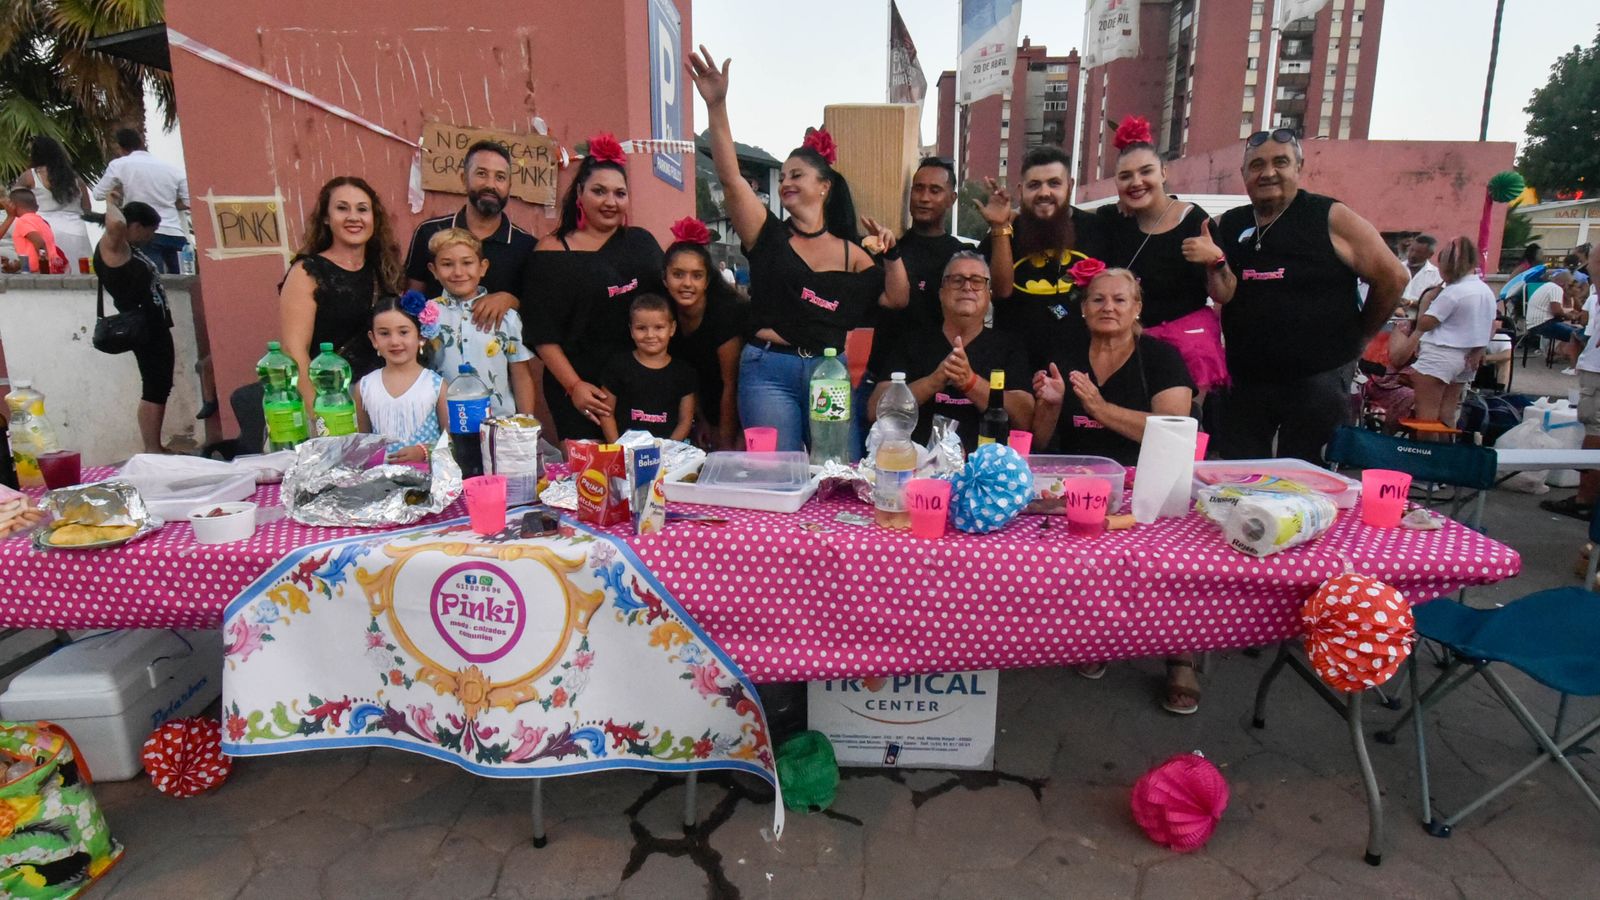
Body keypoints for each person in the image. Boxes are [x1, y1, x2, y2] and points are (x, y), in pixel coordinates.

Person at [687, 46, 907, 452]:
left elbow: (896, 297)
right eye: (783, 176)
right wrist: (717, 106)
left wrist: (891, 254)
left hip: (830, 371)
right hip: (768, 368)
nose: (786, 182)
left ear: (824, 185)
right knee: (776, 474)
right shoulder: (767, 235)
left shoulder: (852, 253)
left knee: (837, 470)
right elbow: (731, 177)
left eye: (797, 175)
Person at [1029, 268, 1198, 713]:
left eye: (1120, 300)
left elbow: (1174, 431)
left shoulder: (1162, 357)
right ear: (1083, 310)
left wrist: (1100, 408)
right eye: (1098, 300)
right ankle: (1100, 638)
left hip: (1150, 485)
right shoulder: (1065, 355)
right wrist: (1050, 406)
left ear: (1137, 308)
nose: (1108, 308)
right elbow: (1042, 442)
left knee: (1170, 564)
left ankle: (1180, 657)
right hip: (1079, 484)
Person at [1192, 129, 1408, 464]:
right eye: (1257, 165)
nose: (1268, 173)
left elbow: (1393, 277)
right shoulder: (1227, 225)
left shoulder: (1330, 217)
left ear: (1299, 167)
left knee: (1308, 480)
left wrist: (1362, 334)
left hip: (1318, 377)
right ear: (1244, 175)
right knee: (1240, 475)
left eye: (1281, 162)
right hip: (1246, 380)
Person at [522, 134, 664, 442]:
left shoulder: (643, 244)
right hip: (581, 391)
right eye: (599, 191)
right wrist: (574, 386)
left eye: (620, 193)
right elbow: (541, 332)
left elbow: (667, 307)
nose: (610, 202)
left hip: (639, 386)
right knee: (591, 482)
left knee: (648, 480)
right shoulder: (552, 252)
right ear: (580, 194)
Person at [1097, 116, 1227, 397]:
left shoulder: (1193, 221)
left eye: (1146, 172)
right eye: (1125, 176)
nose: (1136, 182)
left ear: (1164, 173)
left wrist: (1215, 260)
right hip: (1128, 346)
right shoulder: (1111, 219)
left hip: (1186, 350)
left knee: (1179, 430)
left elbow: (1224, 293)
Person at [870, 252, 1032, 452]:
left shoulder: (1008, 346)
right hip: (919, 468)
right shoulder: (912, 341)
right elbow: (874, 410)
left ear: (989, 294)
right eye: (957, 280)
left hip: (988, 470)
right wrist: (933, 382)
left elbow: (1025, 419)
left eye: (977, 281)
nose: (967, 287)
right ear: (941, 292)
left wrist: (970, 383)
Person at [975, 145, 1108, 371]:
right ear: (1021, 189)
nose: (1044, 192)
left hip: (1082, 364)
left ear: (1070, 186)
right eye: (1034, 185)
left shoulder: (1098, 229)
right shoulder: (1004, 231)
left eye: (1054, 183)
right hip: (1015, 365)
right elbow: (1001, 292)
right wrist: (1000, 227)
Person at [278, 176, 403, 414]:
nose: (353, 217)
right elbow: (293, 350)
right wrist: (317, 412)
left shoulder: (385, 268)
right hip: (331, 401)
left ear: (373, 218)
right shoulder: (307, 272)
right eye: (342, 208)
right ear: (326, 217)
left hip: (381, 400)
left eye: (362, 209)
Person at [403, 140, 534, 328]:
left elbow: (535, 308)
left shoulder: (526, 246)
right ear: (464, 179)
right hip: (436, 353)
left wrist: (509, 299)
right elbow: (411, 302)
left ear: (509, 185)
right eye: (481, 174)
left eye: (500, 177)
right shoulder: (430, 233)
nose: (491, 184)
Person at [867, 157, 967, 375]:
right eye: (918, 189)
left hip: (943, 375)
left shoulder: (963, 257)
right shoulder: (888, 252)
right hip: (886, 374)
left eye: (935, 190)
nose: (924, 198)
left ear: (952, 198)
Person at [423, 228, 536, 419]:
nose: (458, 272)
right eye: (447, 264)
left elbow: (521, 375)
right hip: (444, 421)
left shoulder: (506, 317)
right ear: (433, 270)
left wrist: (527, 422)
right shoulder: (426, 314)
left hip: (498, 421)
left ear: (482, 267)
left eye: (467, 263)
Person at [92, 195, 175, 453]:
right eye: (150, 231)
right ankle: (152, 447)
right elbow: (116, 223)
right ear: (136, 226)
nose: (151, 237)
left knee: (159, 383)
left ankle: (155, 445)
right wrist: (110, 200)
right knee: (154, 385)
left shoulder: (129, 248)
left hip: (154, 325)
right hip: (143, 327)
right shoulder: (114, 246)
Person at [1390, 237, 1495, 431]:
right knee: (1447, 413)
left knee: (1426, 418)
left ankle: (1427, 457)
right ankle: (1445, 455)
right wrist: (1478, 349)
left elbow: (1425, 323)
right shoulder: (1485, 290)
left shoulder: (1453, 292)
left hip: (1439, 357)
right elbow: (1490, 326)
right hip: (1466, 358)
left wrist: (1427, 301)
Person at [663, 217, 748, 449]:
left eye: (696, 275)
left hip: (739, 403)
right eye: (678, 274)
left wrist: (726, 438)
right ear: (665, 278)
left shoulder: (725, 314)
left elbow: (730, 383)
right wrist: (700, 421)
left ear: (707, 280)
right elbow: (688, 376)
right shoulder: (665, 316)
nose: (687, 283)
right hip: (702, 401)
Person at [354, 295, 447, 464]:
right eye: (384, 334)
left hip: (429, 481)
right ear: (373, 339)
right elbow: (363, 444)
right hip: (381, 484)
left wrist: (423, 452)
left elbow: (452, 442)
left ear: (420, 336)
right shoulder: (364, 387)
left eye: (403, 332)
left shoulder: (436, 386)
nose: (395, 341)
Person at [1544, 253, 1600, 520]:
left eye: (1592, 263)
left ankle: (1585, 499)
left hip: (1597, 372)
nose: (1588, 269)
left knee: (1595, 429)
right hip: (1594, 367)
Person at [598, 294, 697, 442]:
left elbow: (685, 421)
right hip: (624, 454)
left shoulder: (683, 373)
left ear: (672, 328)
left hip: (667, 457)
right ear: (631, 330)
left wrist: (666, 452)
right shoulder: (618, 366)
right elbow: (606, 413)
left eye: (658, 327)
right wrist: (618, 450)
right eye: (641, 328)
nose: (650, 335)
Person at [91, 128, 190, 273]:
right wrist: (168, 202)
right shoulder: (172, 169)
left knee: (152, 280)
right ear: (142, 143)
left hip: (143, 232)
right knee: (184, 284)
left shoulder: (120, 165)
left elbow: (98, 194)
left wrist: (119, 190)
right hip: (175, 233)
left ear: (120, 148)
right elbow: (188, 202)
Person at [13, 136, 92, 267]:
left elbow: (15, 201)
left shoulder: (30, 176)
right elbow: (87, 208)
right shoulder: (75, 177)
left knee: (51, 278)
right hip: (77, 231)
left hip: (45, 232)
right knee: (83, 276)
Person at [1525, 270, 1581, 368]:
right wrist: (1571, 316)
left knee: (1574, 331)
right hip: (1543, 324)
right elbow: (1557, 311)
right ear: (1562, 282)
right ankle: (1575, 366)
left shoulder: (1547, 286)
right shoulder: (1556, 288)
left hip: (1535, 323)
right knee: (1577, 335)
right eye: (1569, 283)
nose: (1569, 286)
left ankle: (1561, 355)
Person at [0, 189, 60, 273]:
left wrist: (44, 264)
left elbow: (39, 242)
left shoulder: (23, 221)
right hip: (50, 266)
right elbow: (29, 253)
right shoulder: (41, 221)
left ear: (13, 205)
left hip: (39, 270)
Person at [1400, 234, 1442, 310]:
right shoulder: (1396, 268)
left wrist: (1410, 303)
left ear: (1430, 255)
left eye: (1419, 252)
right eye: (1412, 250)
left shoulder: (1437, 276)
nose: (1413, 255)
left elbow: (1436, 303)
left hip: (1418, 319)